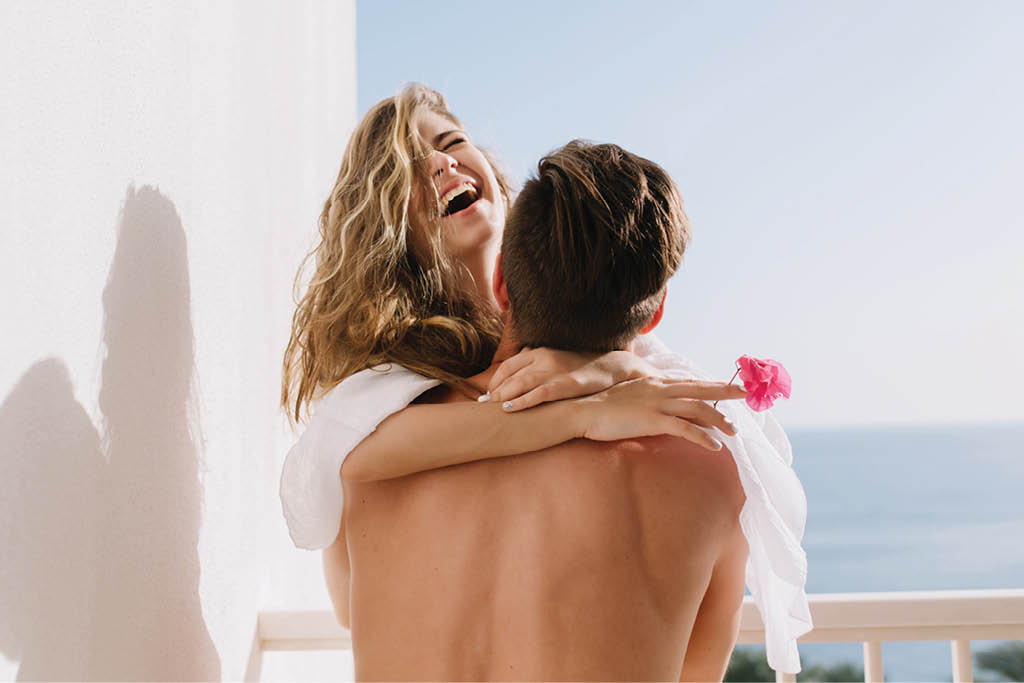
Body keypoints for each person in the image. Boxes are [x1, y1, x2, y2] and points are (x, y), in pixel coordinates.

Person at [279, 85, 810, 674]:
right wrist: (584, 406)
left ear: (507, 270)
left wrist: (607, 372)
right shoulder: (375, 410)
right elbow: (343, 452)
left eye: (453, 141)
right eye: (406, 167)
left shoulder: (383, 460)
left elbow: (354, 605)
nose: (441, 161)